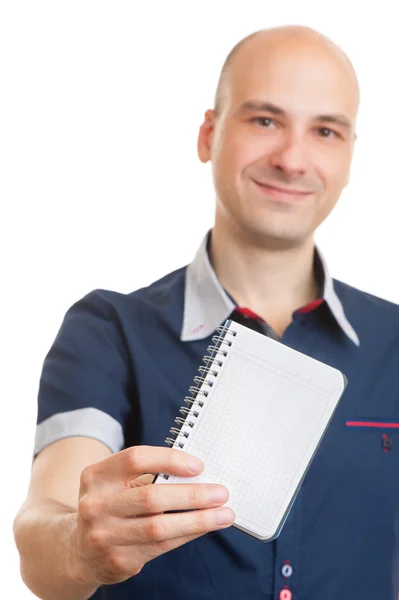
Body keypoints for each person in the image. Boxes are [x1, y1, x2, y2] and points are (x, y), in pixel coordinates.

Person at [13, 25, 399, 600]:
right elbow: (43, 529)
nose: (293, 159)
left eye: (325, 130)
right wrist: (77, 542)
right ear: (209, 134)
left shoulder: (396, 341)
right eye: (264, 120)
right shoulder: (107, 332)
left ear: (348, 155)